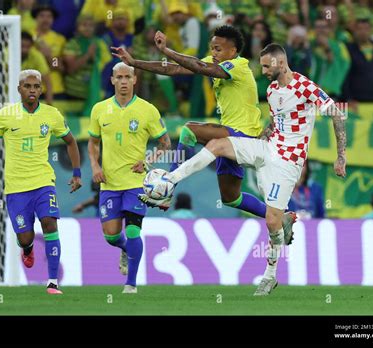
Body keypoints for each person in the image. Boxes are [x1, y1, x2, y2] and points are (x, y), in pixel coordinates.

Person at [147, 43, 347, 296]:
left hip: (287, 163)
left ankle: (270, 275)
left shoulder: (305, 87)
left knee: (272, 221)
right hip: (266, 148)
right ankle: (170, 180)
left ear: (280, 63)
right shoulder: (273, 90)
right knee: (217, 145)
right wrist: (264, 134)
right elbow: (276, 120)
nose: (262, 71)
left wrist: (341, 156)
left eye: (265, 66)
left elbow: (337, 114)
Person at [112, 26, 295, 233]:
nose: (214, 53)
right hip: (232, 139)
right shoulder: (216, 63)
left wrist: (167, 50)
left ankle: (169, 185)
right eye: (212, 49)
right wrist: (135, 63)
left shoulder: (239, 66)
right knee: (231, 198)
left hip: (243, 136)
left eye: (218, 49)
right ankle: (283, 217)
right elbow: (172, 69)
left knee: (189, 130)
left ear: (233, 51)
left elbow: (201, 67)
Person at [0, 69, 82, 295]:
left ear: (41, 89)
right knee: (25, 236)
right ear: (19, 89)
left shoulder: (52, 114)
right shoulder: (6, 115)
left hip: (43, 181)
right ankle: (27, 248)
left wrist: (77, 172)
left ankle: (52, 282)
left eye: (36, 86)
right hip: (16, 186)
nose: (32, 90)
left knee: (49, 223)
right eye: (27, 86)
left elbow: (70, 141)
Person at [88, 62, 171, 294]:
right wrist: (95, 166)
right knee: (111, 236)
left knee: (133, 230)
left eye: (128, 77)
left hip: (137, 183)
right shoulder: (99, 109)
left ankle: (131, 284)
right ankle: (124, 248)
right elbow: (93, 143)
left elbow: (165, 143)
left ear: (135, 80)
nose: (124, 81)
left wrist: (147, 161)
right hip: (110, 184)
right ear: (112, 80)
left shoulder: (148, 110)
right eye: (119, 77)